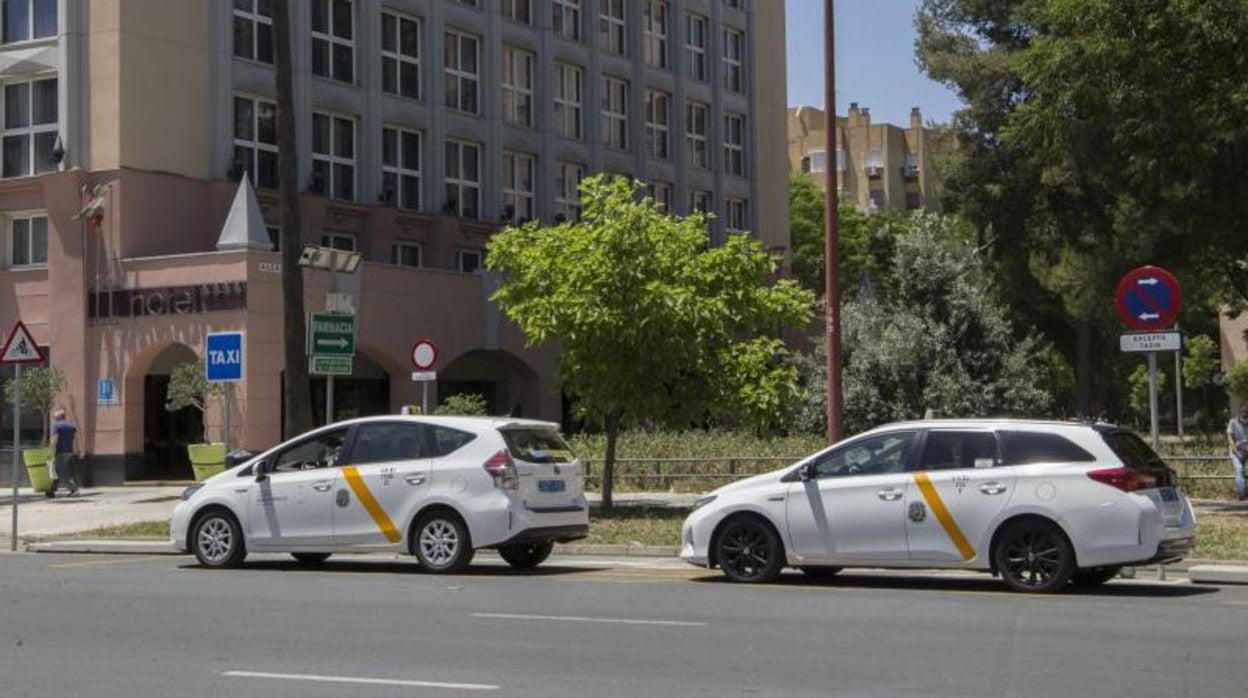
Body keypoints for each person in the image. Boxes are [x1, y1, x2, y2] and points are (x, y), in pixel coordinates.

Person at [48, 409, 82, 498]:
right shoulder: (71, 426)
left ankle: (74, 489)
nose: (54, 419)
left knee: (63, 471)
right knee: (58, 471)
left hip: (61, 452)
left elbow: (54, 440)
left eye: (55, 417)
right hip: (69, 451)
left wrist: (50, 451)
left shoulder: (57, 426)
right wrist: (78, 450)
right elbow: (76, 439)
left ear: (59, 417)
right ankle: (51, 491)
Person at [1229, 401, 1248, 502]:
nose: (1245, 412)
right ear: (1240, 411)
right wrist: (1237, 452)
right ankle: (1241, 493)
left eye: (1247, 411)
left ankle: (1245, 491)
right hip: (1237, 451)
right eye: (1243, 410)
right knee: (1240, 469)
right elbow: (1230, 439)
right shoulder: (1233, 422)